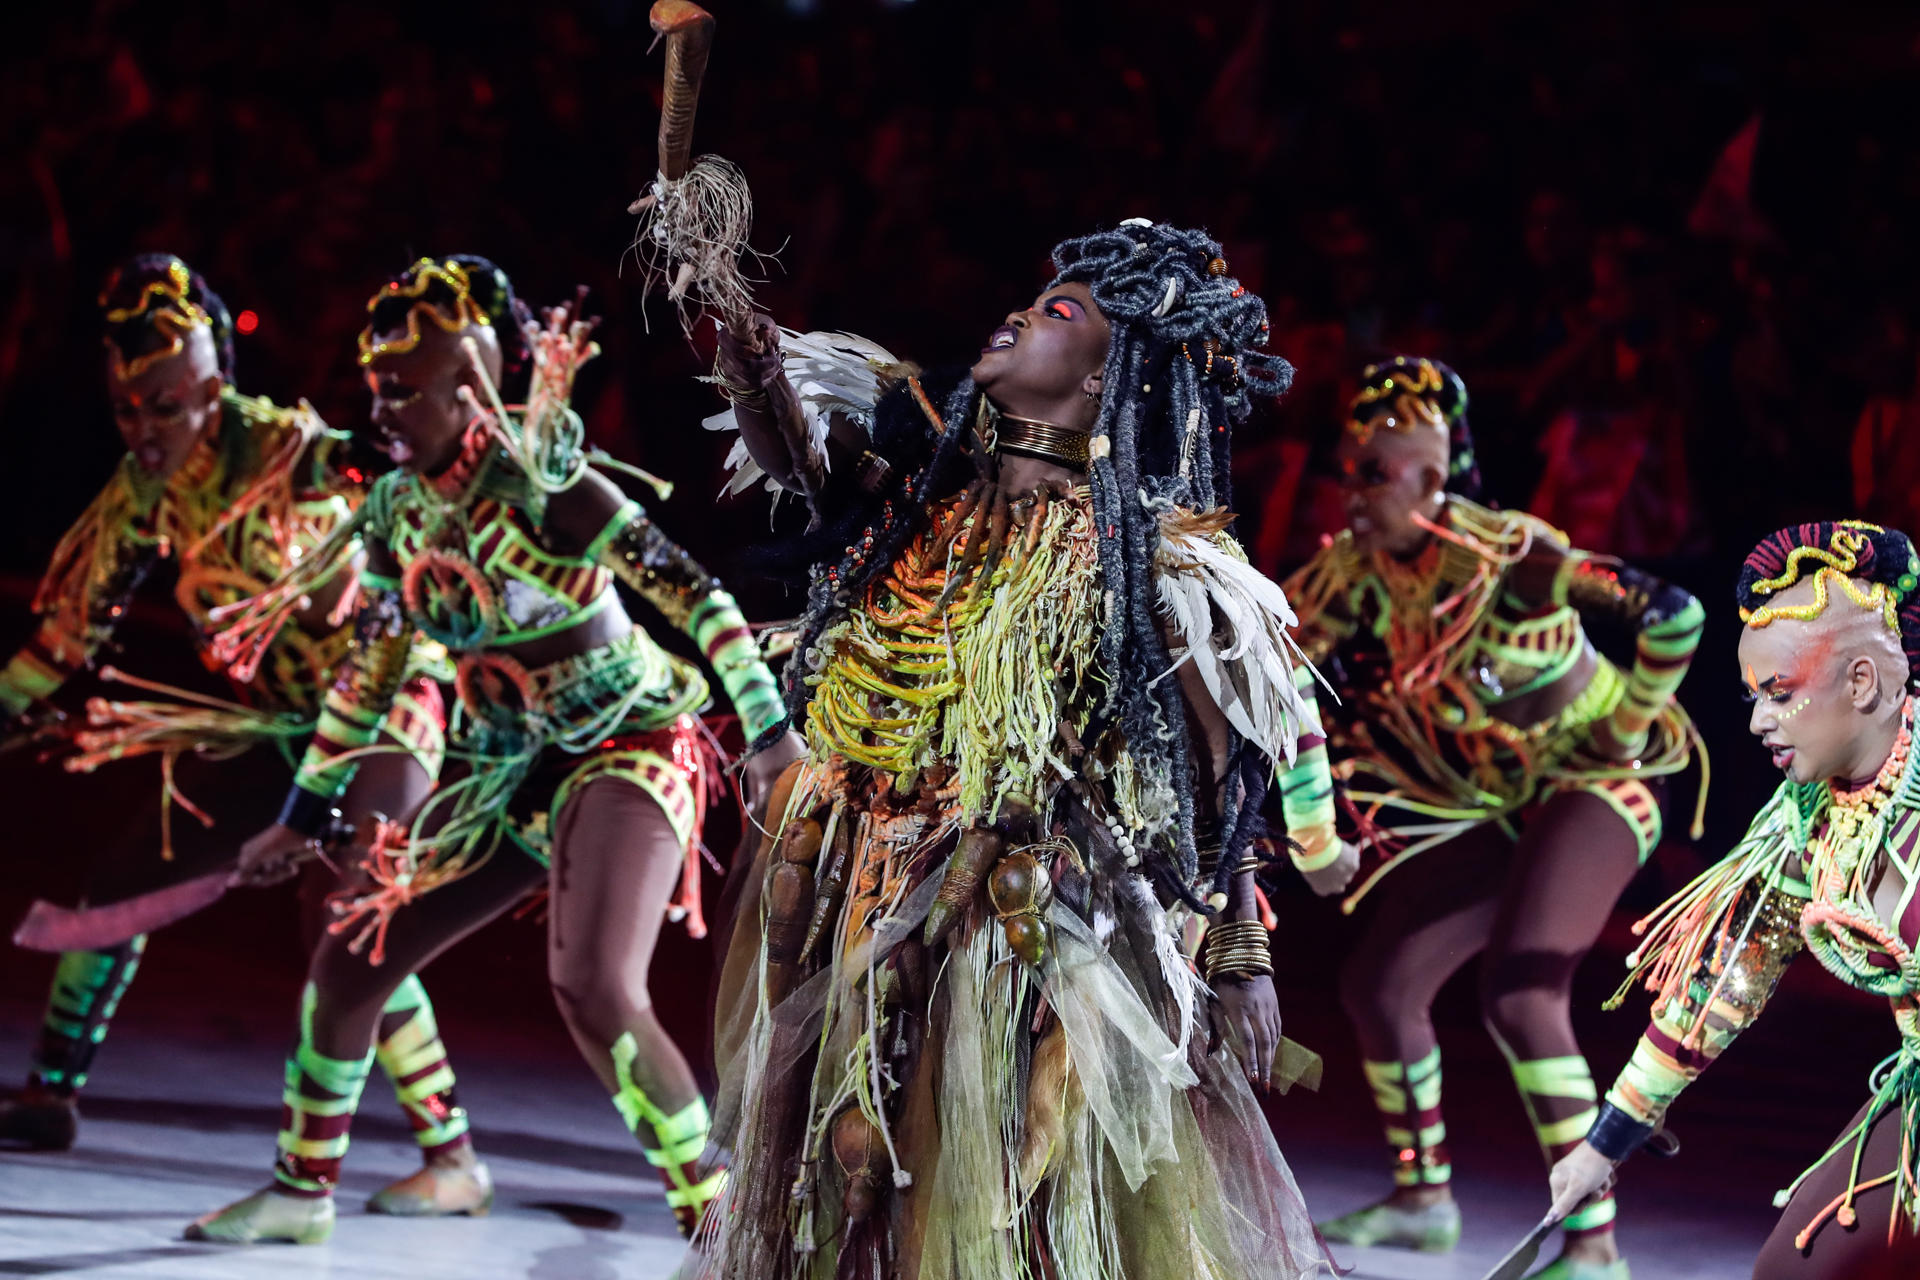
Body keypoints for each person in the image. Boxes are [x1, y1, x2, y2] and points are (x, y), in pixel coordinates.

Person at [695, 219, 1334, 1278]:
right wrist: (750, 360)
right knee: (848, 1163)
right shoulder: (918, 498)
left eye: (1060, 314)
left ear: (1102, 381)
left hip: (1012, 918)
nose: (1022, 314)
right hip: (861, 876)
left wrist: (1240, 949)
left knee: (989, 1181)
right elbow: (797, 453)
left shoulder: (1154, 569)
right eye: (1034, 301)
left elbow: (1224, 782)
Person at [183, 256, 794, 1244]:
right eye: (377, 391)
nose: (382, 413)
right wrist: (301, 813)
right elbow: (370, 673)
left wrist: (767, 731)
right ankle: (302, 1192)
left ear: (472, 383)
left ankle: (720, 1224)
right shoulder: (394, 510)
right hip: (508, 769)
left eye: (404, 392)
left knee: (592, 981)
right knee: (352, 955)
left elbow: (702, 598)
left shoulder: (548, 482)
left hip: (628, 745)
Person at [0, 257, 466, 1222]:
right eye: (128, 412)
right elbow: (69, 634)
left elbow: (406, 510)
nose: (145, 432)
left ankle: (452, 1154)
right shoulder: (143, 491)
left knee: (347, 910)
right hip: (281, 724)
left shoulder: (297, 454)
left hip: (383, 704)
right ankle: (49, 1093)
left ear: (213, 386)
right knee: (126, 875)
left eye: (165, 407)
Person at [1278, 357, 1704, 1279]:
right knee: (1382, 983)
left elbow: (1673, 614)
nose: (1349, 491)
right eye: (1347, 469)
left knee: (1519, 991)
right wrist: (1313, 825)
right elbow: (1278, 683)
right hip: (1500, 805)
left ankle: (1593, 1250)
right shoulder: (1356, 572)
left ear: (1434, 480)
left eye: (1372, 475)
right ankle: (1424, 1199)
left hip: (1596, 789)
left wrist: (1625, 733)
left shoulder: (1517, 558)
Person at [1550, 521, 1920, 1279]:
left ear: (1861, 683)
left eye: (1779, 695)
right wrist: (1607, 1140)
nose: (1756, 721)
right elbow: (1726, 979)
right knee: (1792, 1269)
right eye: (1752, 696)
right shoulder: (1804, 820)